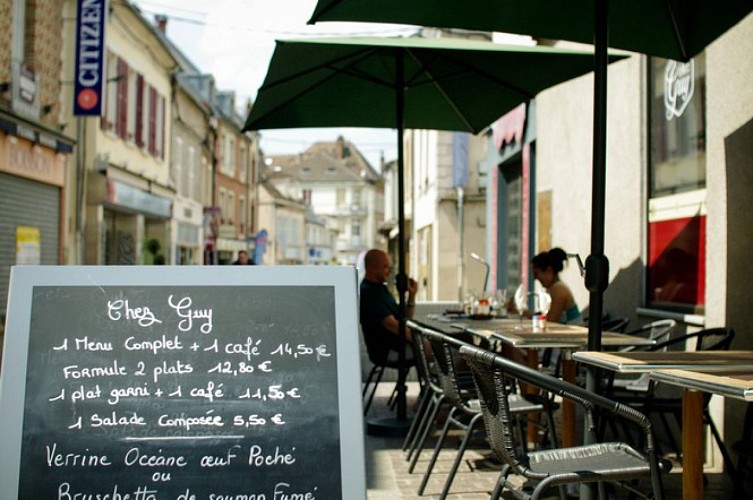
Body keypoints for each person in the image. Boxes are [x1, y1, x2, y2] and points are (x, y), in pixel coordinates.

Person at [359, 249, 417, 365]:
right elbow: (392, 325)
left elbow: (404, 319)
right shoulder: (368, 292)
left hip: (400, 346)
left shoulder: (381, 288)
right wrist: (420, 341)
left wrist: (411, 295)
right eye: (386, 267)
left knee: (441, 350)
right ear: (372, 268)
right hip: (388, 351)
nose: (390, 271)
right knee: (439, 352)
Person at [531, 247, 582, 324]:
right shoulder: (556, 288)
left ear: (549, 271)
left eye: (536, 273)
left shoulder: (558, 289)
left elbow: (550, 321)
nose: (535, 278)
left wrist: (525, 314)